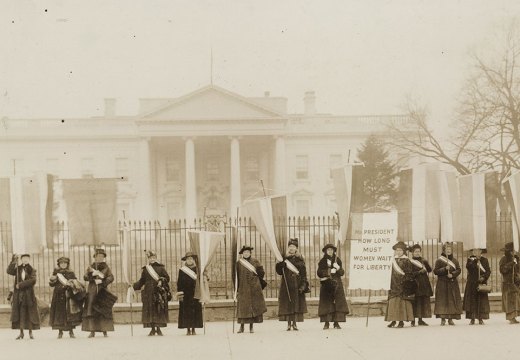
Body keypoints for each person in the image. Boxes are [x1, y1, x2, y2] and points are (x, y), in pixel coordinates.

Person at [133, 250, 171, 336]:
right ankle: (152, 329)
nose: (152, 259)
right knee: (150, 311)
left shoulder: (161, 268)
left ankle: (159, 328)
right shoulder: (146, 269)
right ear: (148, 259)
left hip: (158, 292)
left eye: (154, 257)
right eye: (150, 258)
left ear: (156, 258)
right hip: (148, 293)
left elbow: (167, 278)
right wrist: (133, 286)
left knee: (158, 310)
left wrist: (161, 280)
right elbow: (142, 281)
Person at [275, 238, 309, 331]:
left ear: (296, 248)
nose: (291, 248)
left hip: (296, 285)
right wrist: (279, 265)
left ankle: (294, 323)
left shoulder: (300, 259)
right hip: (286, 285)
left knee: (295, 305)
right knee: (287, 305)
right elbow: (279, 272)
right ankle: (288, 324)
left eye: (293, 247)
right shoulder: (283, 259)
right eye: (290, 246)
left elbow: (303, 274)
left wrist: (303, 285)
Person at [82, 248, 116, 338]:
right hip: (92, 291)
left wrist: (103, 282)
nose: (100, 258)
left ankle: (104, 330)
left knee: (103, 310)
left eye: (102, 257)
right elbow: (85, 277)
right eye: (98, 256)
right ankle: (92, 331)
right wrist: (91, 276)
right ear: (95, 257)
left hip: (102, 290)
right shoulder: (91, 267)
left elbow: (111, 277)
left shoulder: (106, 268)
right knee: (92, 310)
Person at [49, 256, 85, 338]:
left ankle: (71, 331)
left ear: (67, 264)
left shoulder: (71, 273)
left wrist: (71, 283)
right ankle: (60, 332)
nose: (63, 264)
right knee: (59, 313)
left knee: (69, 313)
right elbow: (51, 285)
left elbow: (75, 283)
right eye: (61, 263)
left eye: (65, 263)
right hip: (58, 295)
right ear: (59, 264)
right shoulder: (56, 273)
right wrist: (52, 280)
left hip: (68, 295)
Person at [6, 254, 40, 339]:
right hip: (19, 295)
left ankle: (30, 332)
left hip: (29, 295)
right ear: (21, 259)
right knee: (20, 313)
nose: (25, 260)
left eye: (27, 258)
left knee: (30, 313)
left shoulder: (32, 270)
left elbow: (33, 280)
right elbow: (9, 271)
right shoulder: (18, 269)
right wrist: (13, 261)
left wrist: (20, 285)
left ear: (29, 259)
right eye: (24, 258)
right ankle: (21, 332)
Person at [235, 245, 267, 333]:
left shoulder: (255, 261)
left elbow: (261, 272)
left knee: (252, 308)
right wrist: (237, 288)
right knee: (243, 308)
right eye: (244, 252)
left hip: (253, 287)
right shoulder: (239, 263)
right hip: (243, 288)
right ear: (242, 253)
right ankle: (241, 327)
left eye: (248, 252)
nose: (246, 254)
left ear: (250, 253)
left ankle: (251, 327)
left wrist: (255, 279)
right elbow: (236, 276)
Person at [317, 243, 349, 329]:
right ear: (325, 251)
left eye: (331, 250)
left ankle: (336, 322)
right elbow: (319, 273)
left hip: (337, 284)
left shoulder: (337, 260)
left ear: (334, 251)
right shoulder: (322, 261)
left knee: (337, 303)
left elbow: (342, 273)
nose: (330, 251)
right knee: (327, 303)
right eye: (328, 250)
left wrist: (338, 268)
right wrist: (329, 272)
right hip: (327, 284)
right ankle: (326, 323)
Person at [385, 241, 415, 328]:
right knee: (393, 303)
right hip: (393, 284)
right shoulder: (392, 260)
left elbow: (409, 273)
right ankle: (393, 320)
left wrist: (404, 281)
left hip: (402, 285)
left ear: (404, 251)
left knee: (401, 303)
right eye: (397, 250)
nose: (398, 252)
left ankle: (401, 321)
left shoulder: (407, 261)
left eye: (400, 250)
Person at [433, 242, 462, 325]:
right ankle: (442, 319)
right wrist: (444, 269)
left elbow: (459, 270)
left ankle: (450, 319)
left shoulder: (455, 260)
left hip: (452, 283)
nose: (448, 251)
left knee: (451, 300)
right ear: (444, 250)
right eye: (447, 249)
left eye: (450, 249)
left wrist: (452, 274)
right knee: (442, 301)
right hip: (442, 283)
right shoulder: (439, 260)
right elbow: (435, 271)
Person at [177, 251, 203, 335]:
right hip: (186, 294)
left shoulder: (198, 269)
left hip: (195, 293)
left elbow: (201, 281)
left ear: (193, 260)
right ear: (186, 260)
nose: (190, 260)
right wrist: (180, 293)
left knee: (195, 311)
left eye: (191, 259)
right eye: (188, 259)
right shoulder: (182, 270)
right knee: (186, 311)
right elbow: (179, 282)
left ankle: (194, 328)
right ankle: (188, 329)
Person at [463, 248, 491, 325]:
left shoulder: (485, 260)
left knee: (481, 301)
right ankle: (472, 318)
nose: (476, 252)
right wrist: (475, 261)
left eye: (478, 251)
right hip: (472, 283)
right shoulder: (470, 260)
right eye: (475, 251)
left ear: (481, 251)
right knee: (472, 301)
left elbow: (488, 271)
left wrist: (484, 277)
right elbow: (469, 267)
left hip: (481, 282)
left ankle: (480, 318)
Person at [409, 244, 433, 326]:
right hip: (415, 284)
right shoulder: (410, 262)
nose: (417, 253)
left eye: (418, 251)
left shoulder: (423, 261)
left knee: (422, 302)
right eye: (415, 252)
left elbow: (429, 270)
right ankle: (413, 321)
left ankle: (420, 320)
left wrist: (426, 263)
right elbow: (409, 274)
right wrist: (419, 272)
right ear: (412, 253)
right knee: (415, 302)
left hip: (424, 284)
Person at [499, 242, 520, 324]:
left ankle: (514, 316)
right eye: (511, 251)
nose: (512, 252)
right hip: (507, 282)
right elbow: (502, 270)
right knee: (509, 300)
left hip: (515, 282)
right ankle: (511, 317)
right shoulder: (503, 259)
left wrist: (517, 261)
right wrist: (511, 264)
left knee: (515, 300)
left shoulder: (515, 258)